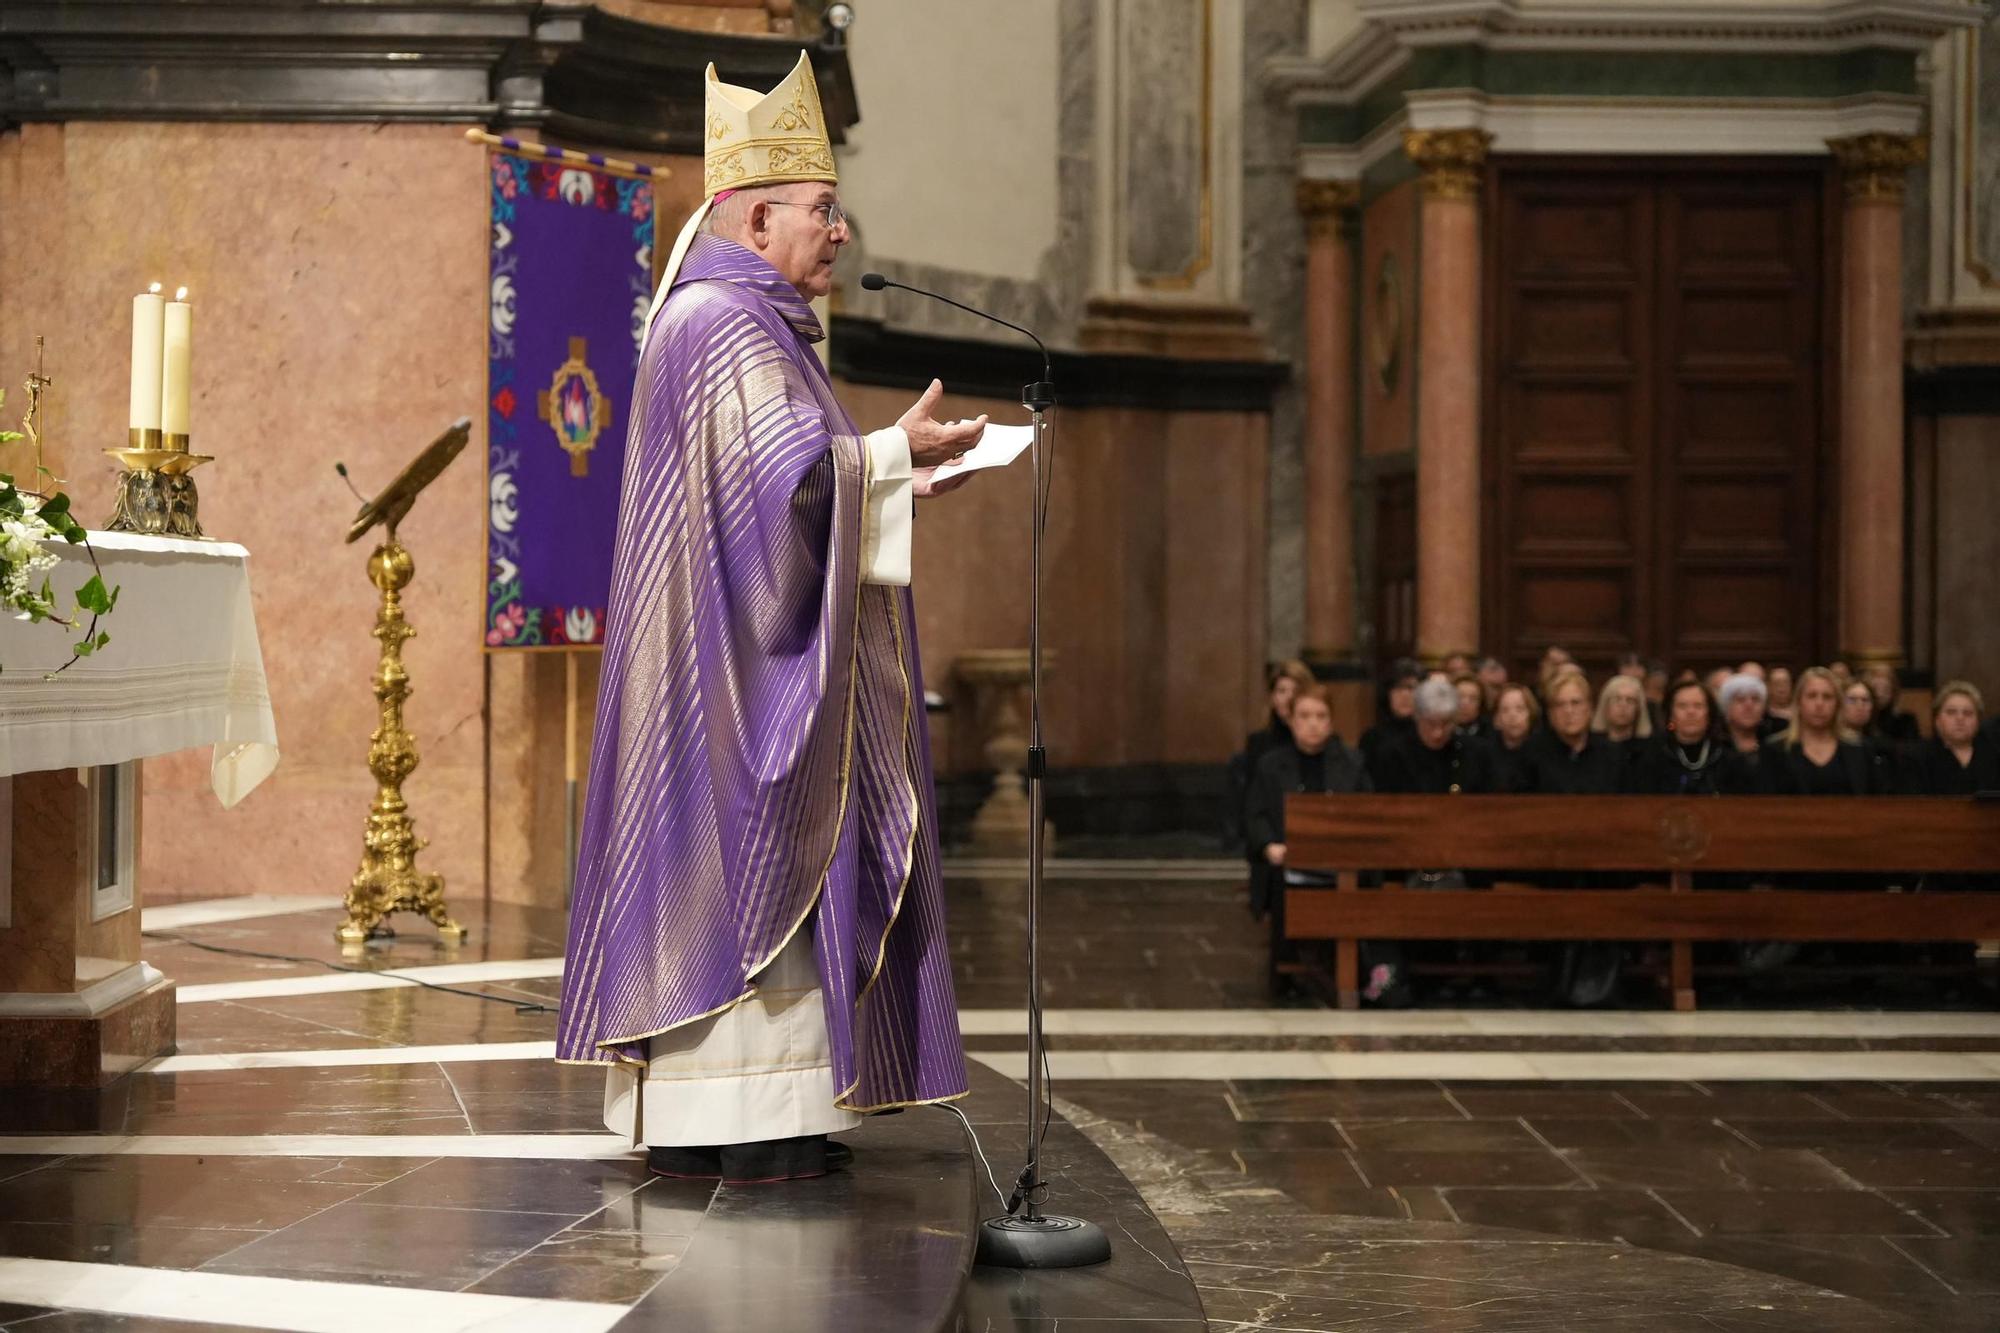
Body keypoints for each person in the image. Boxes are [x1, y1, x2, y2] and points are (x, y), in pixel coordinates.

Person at [558, 55, 974, 1185]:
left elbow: (787, 487)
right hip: (731, 688)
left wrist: (886, 477)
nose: (839, 233)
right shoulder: (726, 323)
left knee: (751, 871)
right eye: (822, 211)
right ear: (753, 216)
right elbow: (776, 485)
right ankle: (744, 1116)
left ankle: (755, 1112)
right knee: (753, 862)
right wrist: (888, 456)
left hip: (724, 662)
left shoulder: (735, 321)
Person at [1244, 688, 1378, 995]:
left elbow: (1366, 813)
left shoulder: (1352, 763)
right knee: (1282, 879)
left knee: (1355, 881)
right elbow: (1255, 815)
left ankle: (1350, 967)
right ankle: (1285, 969)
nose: (1313, 724)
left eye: (1321, 717)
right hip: (1288, 859)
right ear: (1291, 721)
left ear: (1331, 723)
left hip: (1338, 860)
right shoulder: (1271, 764)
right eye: (1304, 716)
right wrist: (1269, 846)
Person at [1758, 666, 1882, 795]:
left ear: (1837, 704)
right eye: (1812, 696)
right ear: (1799, 702)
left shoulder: (1859, 749)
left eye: (1827, 697)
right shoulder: (1774, 750)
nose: (1819, 704)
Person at [1375, 676, 1500, 796]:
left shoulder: (1478, 753)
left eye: (1446, 724)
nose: (1438, 733)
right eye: (1430, 724)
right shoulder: (1393, 755)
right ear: (1417, 717)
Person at [1631, 679, 1745, 795]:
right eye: (1682, 706)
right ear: (1670, 715)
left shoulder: (1727, 754)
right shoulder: (1651, 754)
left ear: (1709, 713)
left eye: (1698, 706)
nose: (1690, 712)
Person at [1522, 668, 1626, 794]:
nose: (1569, 711)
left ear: (1590, 709)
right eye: (1560, 704)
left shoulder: (1612, 755)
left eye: (1576, 703)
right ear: (1550, 714)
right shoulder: (1532, 752)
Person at [1906, 681, 2000, 796]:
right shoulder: (1918, 758)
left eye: (1968, 713)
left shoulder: (1994, 755)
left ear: (1978, 721)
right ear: (1937, 720)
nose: (1960, 718)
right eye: (1951, 712)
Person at [1360, 660, 1421, 782]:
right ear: (1387, 694)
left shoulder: (1429, 737)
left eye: (1411, 688)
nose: (1405, 695)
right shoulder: (1371, 738)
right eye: (1398, 688)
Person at [1839, 676, 1900, 793]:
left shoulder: (1883, 746)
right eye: (1852, 700)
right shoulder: (1831, 745)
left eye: (1865, 700)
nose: (1860, 706)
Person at [1720, 672, 1772, 783]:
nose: (1749, 705)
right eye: (1740, 700)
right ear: (1727, 709)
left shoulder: (1775, 749)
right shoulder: (1715, 750)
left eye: (1755, 699)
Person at [1489, 682, 1539, 793]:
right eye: (1505, 710)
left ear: (1531, 714)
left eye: (1520, 709)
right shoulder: (1485, 756)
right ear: (1496, 719)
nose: (1513, 716)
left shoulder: (1543, 752)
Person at [1591, 673, 1651, 765]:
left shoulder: (1649, 751)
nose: (1623, 706)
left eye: (1630, 700)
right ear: (1605, 705)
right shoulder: (1590, 747)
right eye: (1617, 699)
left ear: (1638, 709)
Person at [1863, 663, 1922, 744]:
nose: (1880, 694)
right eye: (1875, 689)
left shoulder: (1906, 721)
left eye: (1886, 689)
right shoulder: (1862, 719)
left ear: (1893, 692)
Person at [1452, 673, 1490, 742]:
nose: (1465, 704)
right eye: (1459, 697)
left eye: (1473, 698)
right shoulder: (1440, 733)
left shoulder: (1490, 733)